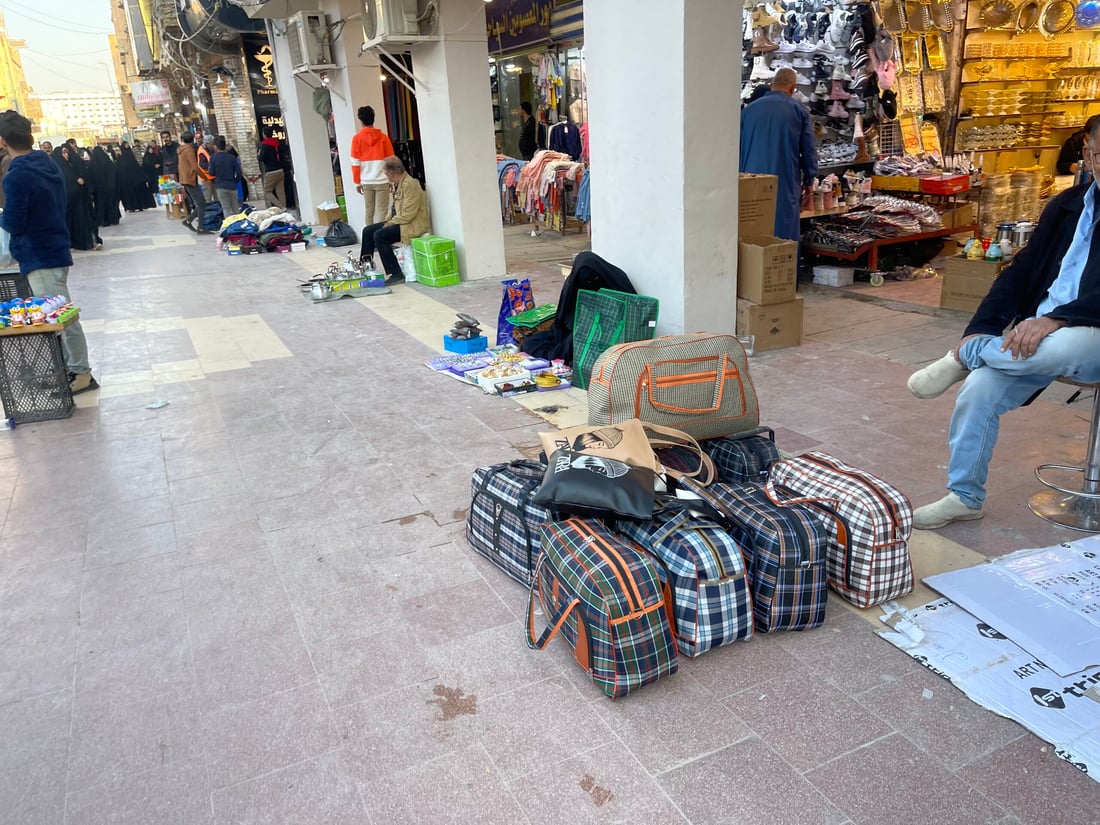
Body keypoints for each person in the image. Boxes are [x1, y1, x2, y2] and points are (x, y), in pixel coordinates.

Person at [906, 116, 1100, 529]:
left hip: (1084, 332)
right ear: (1086, 154)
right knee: (978, 391)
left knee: (1059, 345)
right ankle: (964, 495)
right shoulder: (1066, 205)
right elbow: (1022, 270)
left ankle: (965, 357)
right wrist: (984, 326)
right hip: (1038, 334)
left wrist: (1057, 319)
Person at [0, 110, 97, 394]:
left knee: (62, 317)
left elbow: (15, 221)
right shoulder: (48, 163)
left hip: (38, 253)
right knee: (59, 313)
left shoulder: (17, 174)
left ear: (3, 141)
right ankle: (69, 368)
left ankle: (81, 373)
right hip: (54, 245)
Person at [739, 67, 818, 243]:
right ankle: (784, 268)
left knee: (753, 228)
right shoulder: (798, 111)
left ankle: (752, 268)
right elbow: (808, 150)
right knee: (784, 232)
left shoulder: (748, 110)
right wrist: (809, 181)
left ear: (772, 85)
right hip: (784, 179)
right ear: (793, 88)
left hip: (749, 178)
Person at [359, 155, 431, 287]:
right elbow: (393, 209)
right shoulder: (398, 183)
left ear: (391, 172)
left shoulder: (410, 184)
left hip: (412, 225)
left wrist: (390, 223)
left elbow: (408, 214)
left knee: (380, 236)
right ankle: (364, 267)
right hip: (401, 221)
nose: (385, 174)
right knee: (368, 230)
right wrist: (387, 220)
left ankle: (395, 273)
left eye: (385, 172)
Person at [349, 105, 394, 224]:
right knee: (382, 211)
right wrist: (391, 180)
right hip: (382, 180)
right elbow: (390, 161)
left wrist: (357, 182)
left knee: (369, 211)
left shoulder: (357, 139)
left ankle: (369, 239)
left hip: (366, 181)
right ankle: (379, 238)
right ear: (373, 119)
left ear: (361, 121)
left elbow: (355, 163)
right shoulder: (384, 138)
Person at [51, 145, 98, 251]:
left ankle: (89, 241)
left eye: (67, 152)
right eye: (63, 153)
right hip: (68, 203)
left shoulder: (72, 166)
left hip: (80, 201)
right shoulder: (58, 168)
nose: (66, 155)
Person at [177, 132, 209, 233]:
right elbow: (195, 166)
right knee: (201, 203)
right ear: (193, 139)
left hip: (185, 179)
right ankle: (200, 227)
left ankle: (189, 221)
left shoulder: (181, 150)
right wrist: (204, 177)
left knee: (201, 203)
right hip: (190, 179)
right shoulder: (189, 150)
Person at [209, 135, 242, 218]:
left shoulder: (213, 158)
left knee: (226, 208)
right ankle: (239, 224)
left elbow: (211, 173)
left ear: (216, 147)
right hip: (232, 185)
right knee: (235, 207)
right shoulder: (232, 158)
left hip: (220, 186)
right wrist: (235, 181)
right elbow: (239, 172)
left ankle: (230, 226)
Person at [88, 145, 121, 228]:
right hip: (110, 187)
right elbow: (114, 173)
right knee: (111, 202)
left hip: (99, 190)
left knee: (100, 204)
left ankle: (103, 220)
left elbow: (90, 177)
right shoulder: (107, 161)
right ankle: (114, 218)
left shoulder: (92, 163)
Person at [117, 142, 155, 212]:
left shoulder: (124, 159)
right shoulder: (126, 158)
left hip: (130, 181)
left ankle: (134, 206)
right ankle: (137, 206)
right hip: (133, 181)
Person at [257, 126, 286, 210]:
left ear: (264, 134)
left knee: (267, 192)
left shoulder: (265, 145)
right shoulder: (277, 143)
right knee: (281, 191)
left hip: (271, 172)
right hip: (280, 170)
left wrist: (258, 154)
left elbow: (261, 158)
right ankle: (284, 210)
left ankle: (281, 207)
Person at [197, 134, 216, 202]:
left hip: (212, 177)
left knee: (216, 196)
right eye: (212, 143)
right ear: (207, 143)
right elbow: (203, 165)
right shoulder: (202, 151)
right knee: (208, 197)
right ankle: (209, 211)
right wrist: (212, 168)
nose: (213, 145)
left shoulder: (210, 149)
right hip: (206, 177)